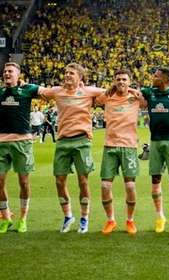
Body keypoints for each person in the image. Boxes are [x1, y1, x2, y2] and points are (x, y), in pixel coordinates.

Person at [38, 62, 103, 234]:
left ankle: (84, 217)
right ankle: (68, 216)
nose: (67, 75)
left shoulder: (89, 91)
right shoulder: (57, 91)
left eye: (71, 73)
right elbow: (38, 91)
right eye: (66, 73)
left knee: (83, 181)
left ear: (80, 78)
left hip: (82, 141)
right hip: (63, 141)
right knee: (59, 181)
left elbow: (110, 92)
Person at [0, 62, 40, 233]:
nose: (6, 73)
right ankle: (6, 219)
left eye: (10, 71)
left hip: (22, 141)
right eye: (5, 71)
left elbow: (49, 93)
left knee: (24, 181)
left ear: (18, 75)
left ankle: (23, 218)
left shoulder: (28, 90)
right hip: (2, 142)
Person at [95, 70, 145, 235]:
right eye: (118, 79)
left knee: (130, 186)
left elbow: (151, 100)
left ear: (129, 82)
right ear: (114, 81)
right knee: (105, 185)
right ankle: (111, 220)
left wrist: (137, 92)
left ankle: (130, 221)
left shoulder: (136, 97)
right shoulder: (107, 96)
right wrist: (107, 89)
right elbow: (93, 99)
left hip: (129, 147)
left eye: (124, 79)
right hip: (110, 146)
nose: (121, 82)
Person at [140, 66, 169, 235]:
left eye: (157, 75)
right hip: (155, 142)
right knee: (155, 180)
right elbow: (133, 92)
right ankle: (160, 217)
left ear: (166, 79)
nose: (153, 77)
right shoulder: (149, 92)